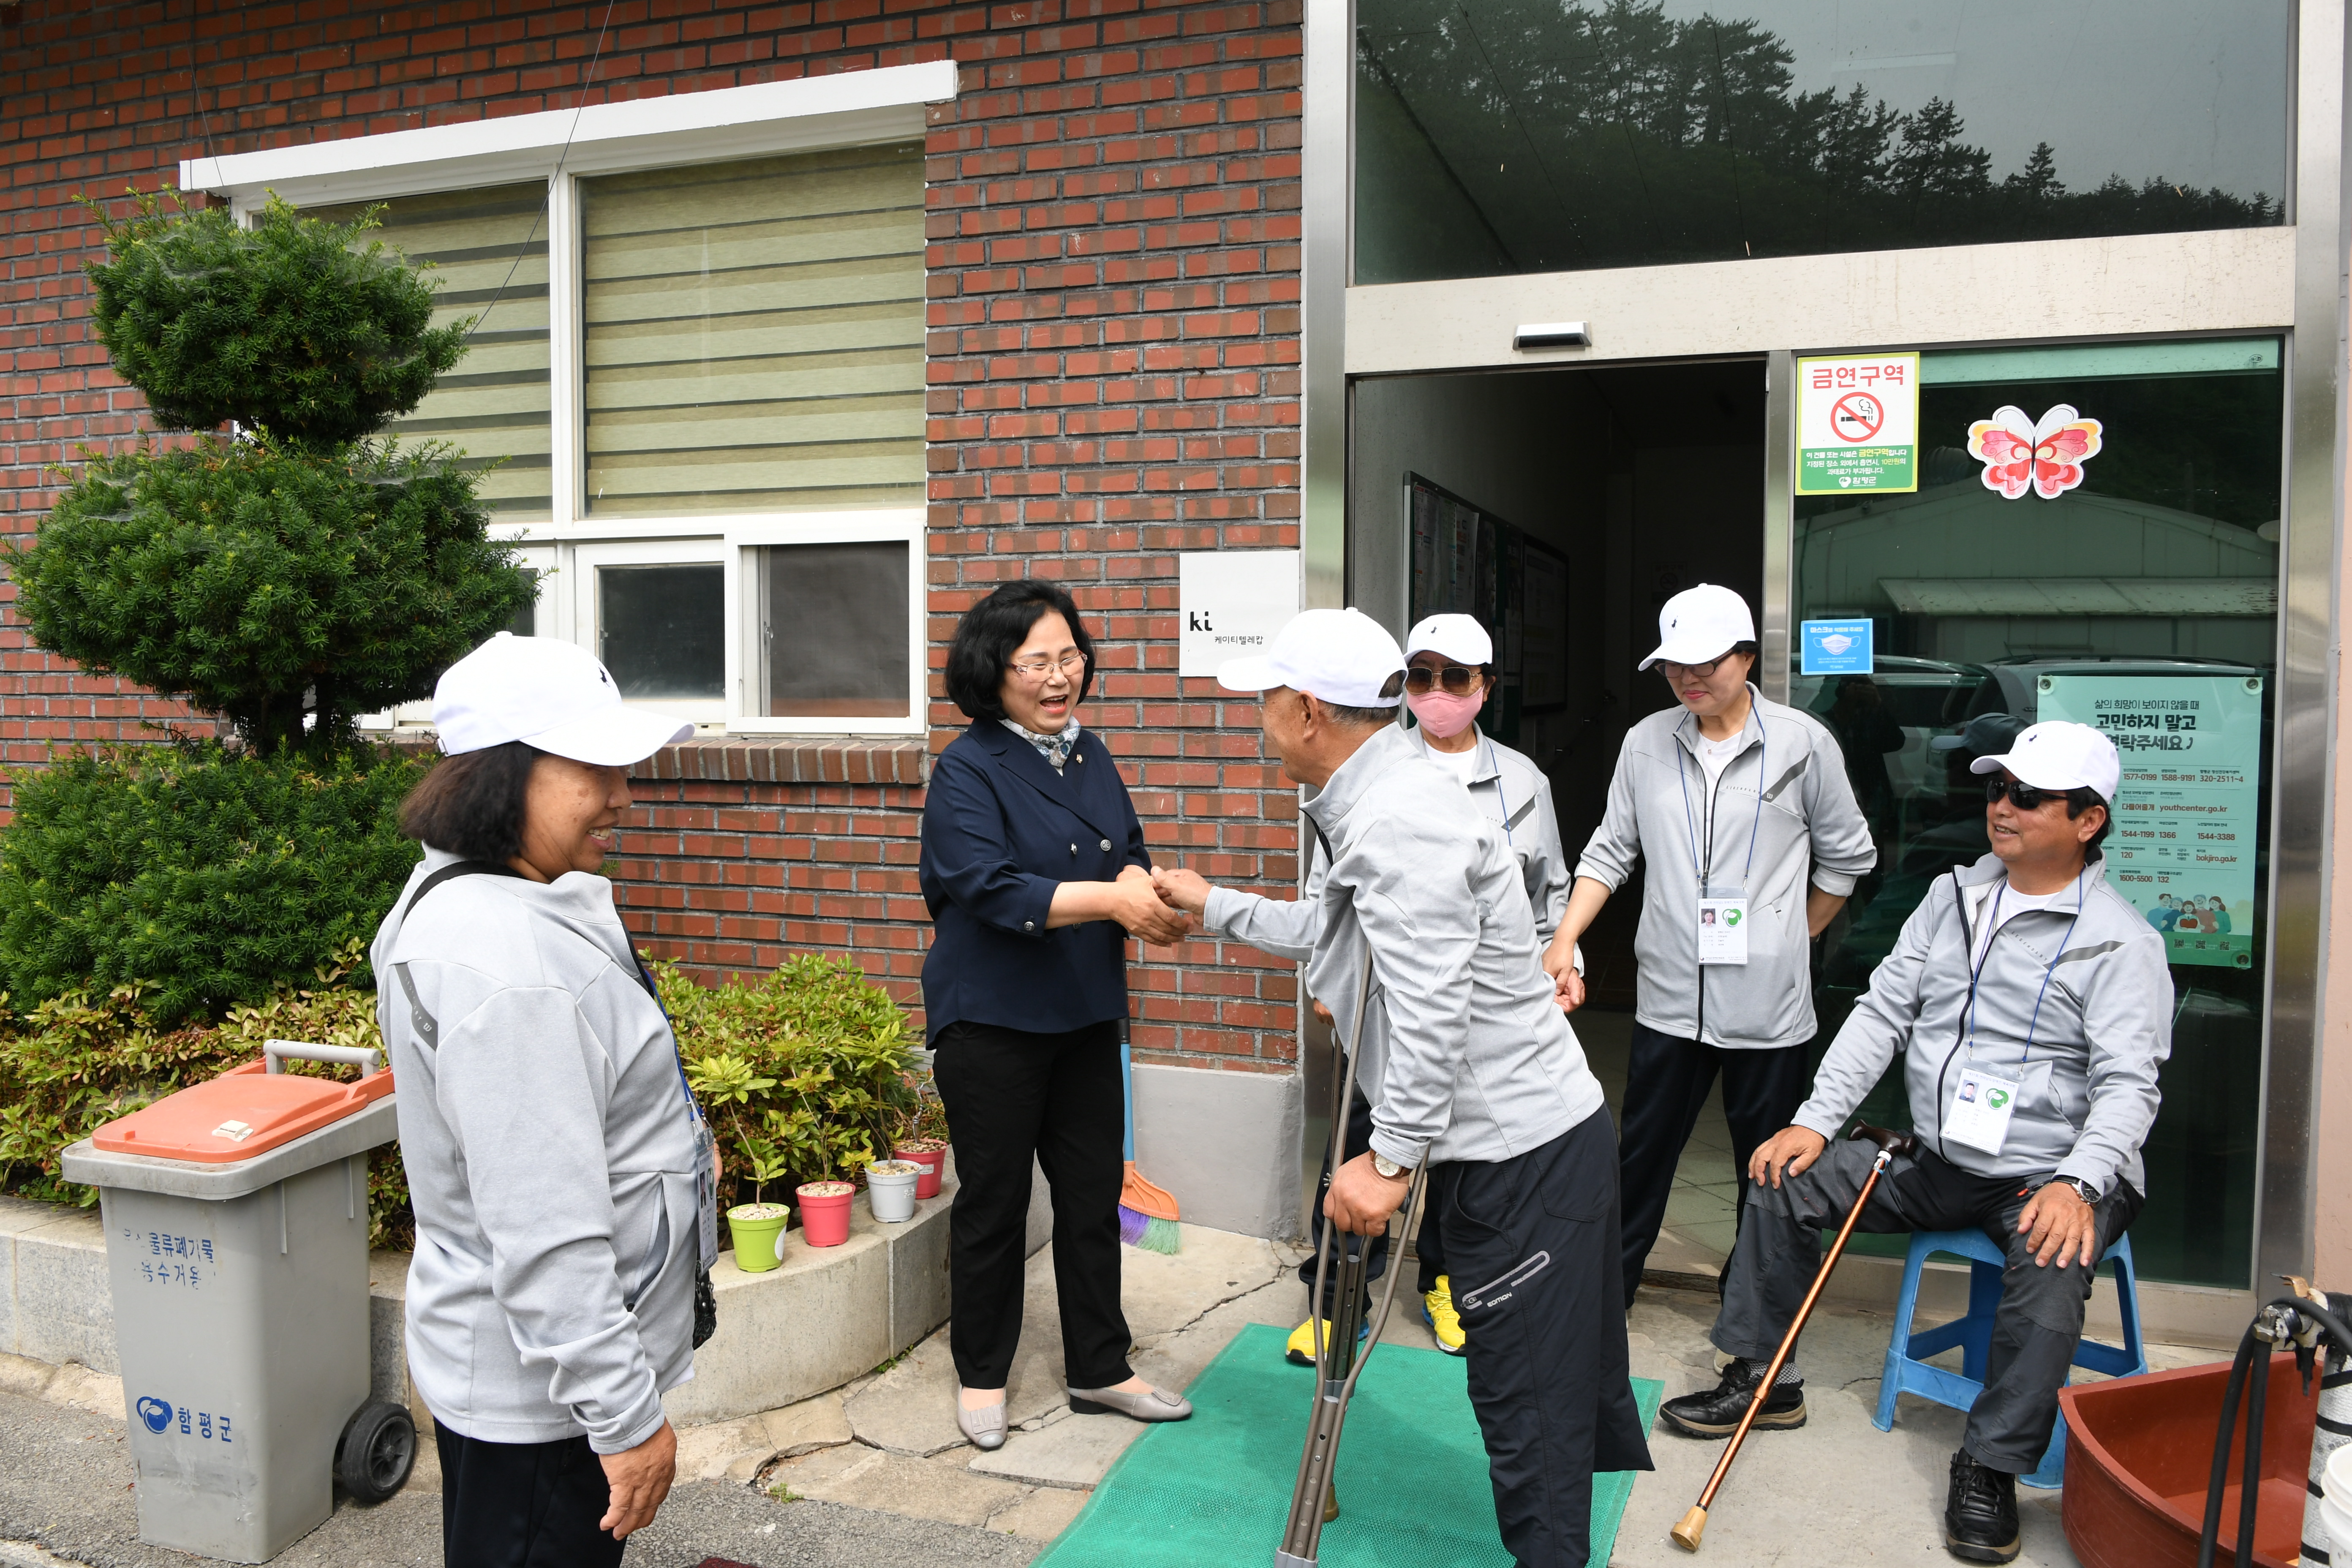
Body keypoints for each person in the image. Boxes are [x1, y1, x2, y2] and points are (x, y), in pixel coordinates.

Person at [1155, 607, 1650, 1568]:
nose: (1260, 719)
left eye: (1265, 701)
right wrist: (1210, 902)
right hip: (1517, 1143)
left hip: (1523, 1153)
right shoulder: (1376, 793)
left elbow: (1431, 1006)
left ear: (1305, 709)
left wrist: (1388, 1161)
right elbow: (1334, 933)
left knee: (1530, 1400)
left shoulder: (1394, 816)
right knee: (1540, 1386)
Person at [1658, 721, 2171, 1565]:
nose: (2001, 807)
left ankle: (1991, 1462)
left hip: (2053, 1171)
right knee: (1783, 1174)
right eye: (1997, 789)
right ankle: (1763, 1376)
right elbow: (1883, 1012)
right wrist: (1815, 1119)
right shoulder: (1952, 896)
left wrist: (2079, 1182)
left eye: (2027, 796)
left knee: (2048, 1261)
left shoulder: (2122, 940)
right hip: (1939, 1155)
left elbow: (2129, 1085)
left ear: (2088, 820)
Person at [372, 632, 711, 1567]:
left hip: (523, 1374)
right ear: (503, 774)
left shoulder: (463, 895)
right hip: (546, 1403)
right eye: (594, 767)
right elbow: (544, 1224)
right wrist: (628, 1417)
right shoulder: (508, 967)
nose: (622, 795)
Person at [918, 580, 1197, 1453]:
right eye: (1033, 661)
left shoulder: (1092, 753)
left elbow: (1131, 855)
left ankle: (1099, 1366)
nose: (1056, 676)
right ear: (991, 673)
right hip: (992, 1020)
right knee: (995, 1205)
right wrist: (1114, 902)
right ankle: (982, 1373)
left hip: (1082, 1013)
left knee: (1089, 1198)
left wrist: (1156, 898)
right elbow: (991, 889)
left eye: (1068, 655)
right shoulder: (966, 769)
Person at [1543, 584, 1877, 1309]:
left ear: (1748, 656)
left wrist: (1799, 934)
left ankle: (1755, 1314)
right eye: (1673, 666)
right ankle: (1608, 1296)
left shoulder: (1803, 743)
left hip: (1769, 1007)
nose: (1688, 679)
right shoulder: (1646, 742)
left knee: (1766, 1168)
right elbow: (1611, 851)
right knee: (1641, 1156)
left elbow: (1848, 858)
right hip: (1668, 999)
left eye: (1706, 662)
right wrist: (1566, 936)